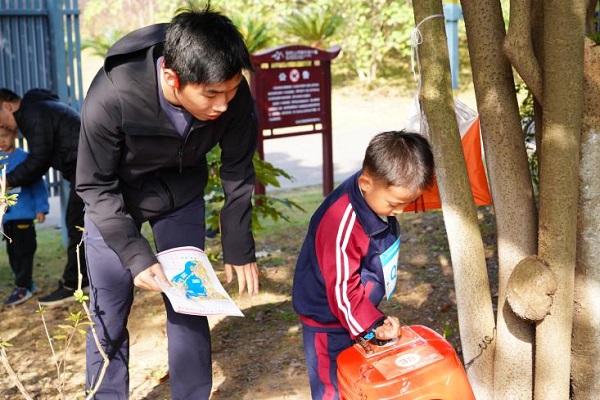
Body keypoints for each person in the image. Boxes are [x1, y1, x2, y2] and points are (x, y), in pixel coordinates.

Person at [76, 5, 259, 399]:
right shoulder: (112, 96)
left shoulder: (231, 93)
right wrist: (133, 253)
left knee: (191, 302)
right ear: (172, 78)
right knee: (108, 311)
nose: (223, 105)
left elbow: (238, 169)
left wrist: (238, 241)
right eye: (211, 95)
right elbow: (94, 185)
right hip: (115, 203)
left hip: (180, 194)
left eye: (231, 91)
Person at [292, 130, 436, 399]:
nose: (400, 211)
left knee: (359, 383)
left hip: (355, 314)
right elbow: (341, 291)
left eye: (408, 203)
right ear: (366, 183)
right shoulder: (341, 222)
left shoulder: (374, 197)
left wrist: (371, 322)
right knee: (333, 388)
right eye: (395, 203)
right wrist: (373, 325)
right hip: (328, 321)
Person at [0, 88, 86, 307]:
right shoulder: (38, 108)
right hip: (86, 167)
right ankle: (81, 279)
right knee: (81, 224)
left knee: (76, 225)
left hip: (87, 167)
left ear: (7, 107)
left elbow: (39, 160)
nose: (2, 126)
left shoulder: (32, 113)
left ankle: (74, 284)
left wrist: (5, 182)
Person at [0, 127, 49, 306]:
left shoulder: (25, 159)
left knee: (25, 251)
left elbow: (37, 185)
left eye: (4, 136)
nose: (2, 140)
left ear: (14, 135)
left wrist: (41, 208)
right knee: (13, 253)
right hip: (7, 218)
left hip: (23, 216)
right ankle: (27, 284)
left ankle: (22, 287)